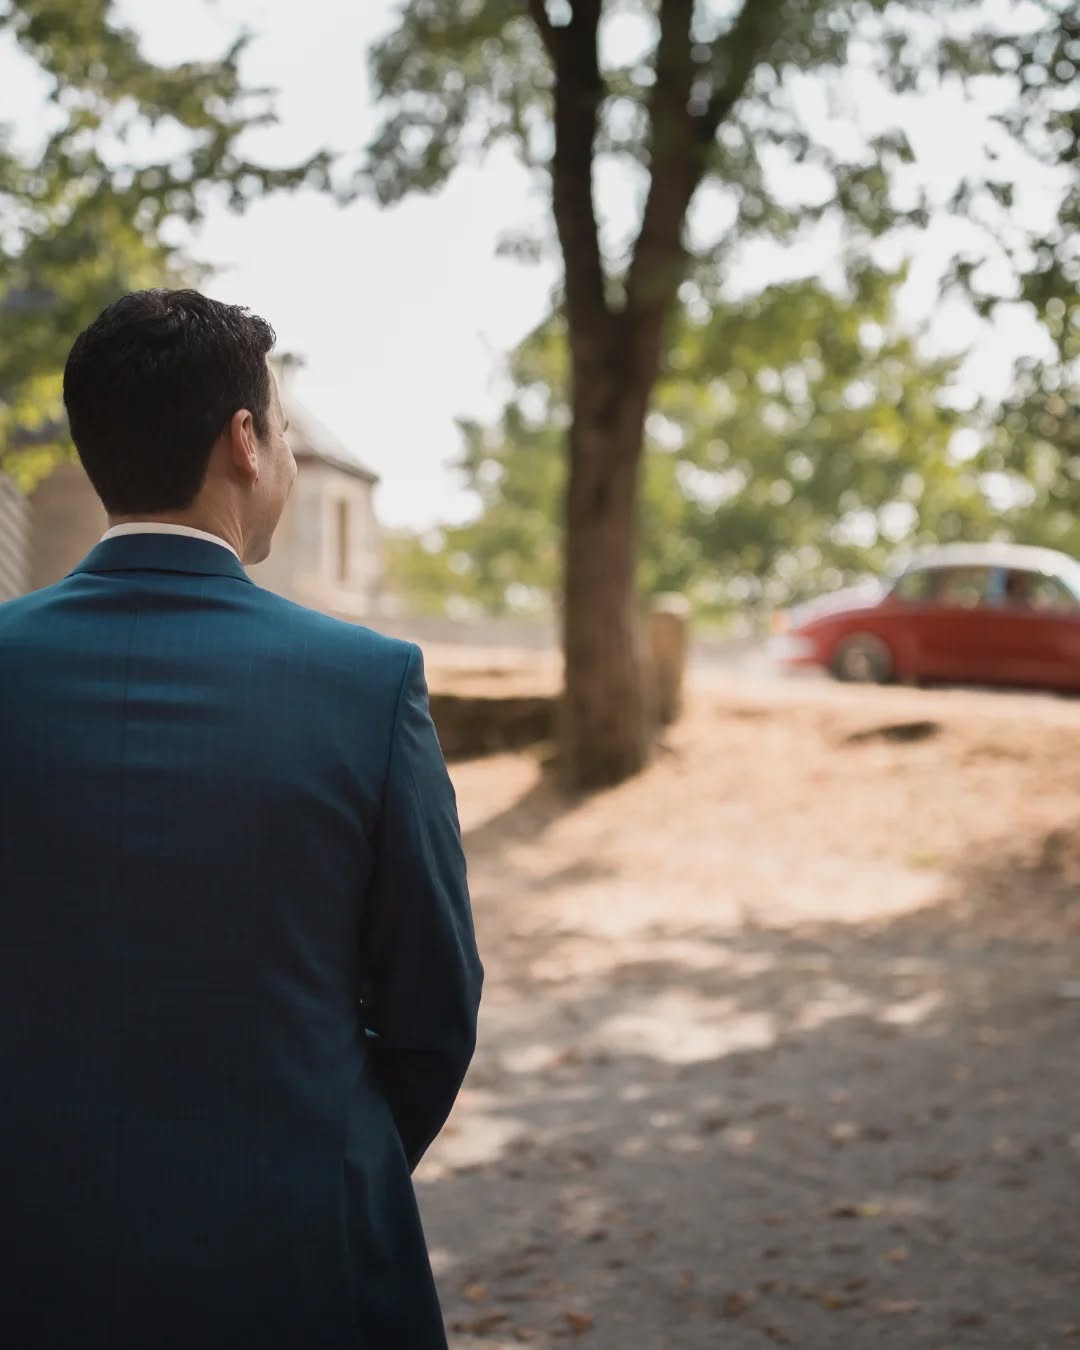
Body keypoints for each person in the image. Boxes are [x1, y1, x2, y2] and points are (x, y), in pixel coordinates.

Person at [0, 289, 483, 1349]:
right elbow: (434, 1006)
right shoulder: (367, 684)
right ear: (246, 445)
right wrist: (327, 1166)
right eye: (287, 434)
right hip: (300, 1259)